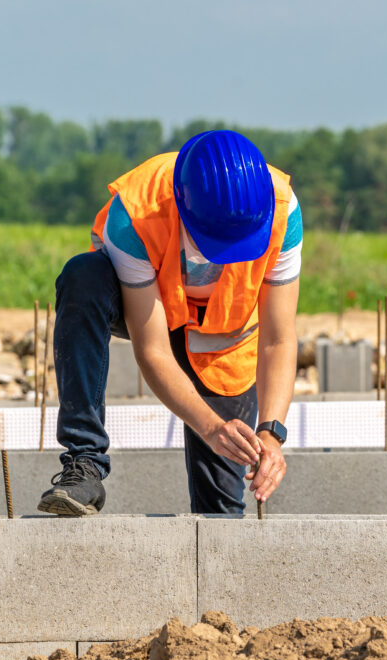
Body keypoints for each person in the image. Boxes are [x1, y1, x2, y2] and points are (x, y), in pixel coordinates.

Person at [37, 130, 300, 516]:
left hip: (220, 344)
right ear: (183, 206)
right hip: (146, 309)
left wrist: (271, 432)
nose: (226, 258)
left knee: (222, 513)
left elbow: (278, 339)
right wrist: (210, 427)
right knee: (84, 277)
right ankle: (85, 462)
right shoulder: (136, 214)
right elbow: (154, 349)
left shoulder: (282, 212)